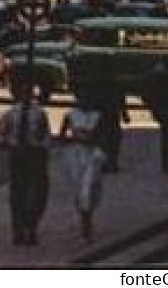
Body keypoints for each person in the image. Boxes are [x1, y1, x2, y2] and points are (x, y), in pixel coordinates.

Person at [0, 81, 52, 245]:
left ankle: (32, 226)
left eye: (29, 92)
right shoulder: (11, 113)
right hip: (17, 154)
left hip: (35, 153)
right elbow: (0, 131)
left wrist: (43, 149)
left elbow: (46, 134)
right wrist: (4, 143)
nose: (27, 96)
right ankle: (18, 229)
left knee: (37, 192)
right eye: (24, 92)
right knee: (17, 193)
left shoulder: (39, 113)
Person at [58, 88, 109, 241]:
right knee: (78, 188)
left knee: (88, 187)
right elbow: (62, 136)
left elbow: (103, 137)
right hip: (75, 155)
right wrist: (73, 139)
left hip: (92, 155)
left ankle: (87, 224)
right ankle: (84, 221)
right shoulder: (70, 115)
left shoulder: (98, 116)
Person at [94, 83, 129, 172]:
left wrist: (124, 112)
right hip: (109, 112)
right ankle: (110, 161)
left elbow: (121, 97)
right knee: (111, 138)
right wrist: (124, 113)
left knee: (108, 138)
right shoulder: (116, 84)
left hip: (108, 112)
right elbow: (121, 97)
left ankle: (110, 161)